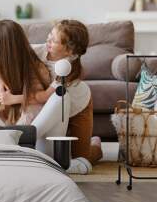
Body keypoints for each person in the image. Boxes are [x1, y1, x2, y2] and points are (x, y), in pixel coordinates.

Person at [31, 19, 103, 173]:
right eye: (49, 35)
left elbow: (43, 96)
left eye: (54, 40)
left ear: (69, 52)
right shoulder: (40, 51)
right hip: (57, 107)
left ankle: (96, 146)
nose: (48, 40)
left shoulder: (66, 70)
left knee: (82, 156)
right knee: (60, 153)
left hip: (79, 105)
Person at [0, 19, 51, 126]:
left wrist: (13, 98)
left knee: (34, 108)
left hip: (21, 131)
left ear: (4, 48)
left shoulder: (37, 69)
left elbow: (39, 104)